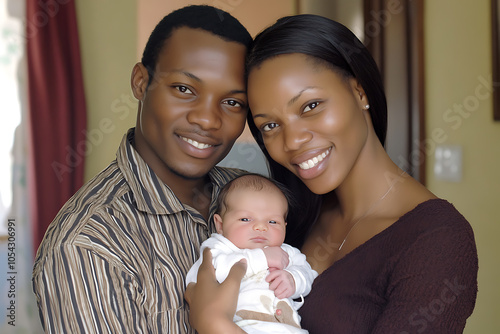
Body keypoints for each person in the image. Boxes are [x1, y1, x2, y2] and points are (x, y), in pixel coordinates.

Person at [185, 14, 478, 333]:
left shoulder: (436, 239)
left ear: (360, 91)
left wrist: (213, 323)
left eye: (310, 106)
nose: (292, 140)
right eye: (270, 125)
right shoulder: (286, 216)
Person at [32, 5, 252, 333]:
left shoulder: (255, 196)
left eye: (232, 102)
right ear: (140, 82)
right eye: (184, 89)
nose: (207, 119)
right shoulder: (88, 246)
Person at [186, 173, 317, 333]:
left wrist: (294, 279)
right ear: (220, 225)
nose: (261, 227)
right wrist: (261, 258)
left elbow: (309, 274)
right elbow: (201, 282)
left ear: (285, 226)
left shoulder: (286, 252)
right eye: (246, 219)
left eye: (273, 222)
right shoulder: (218, 248)